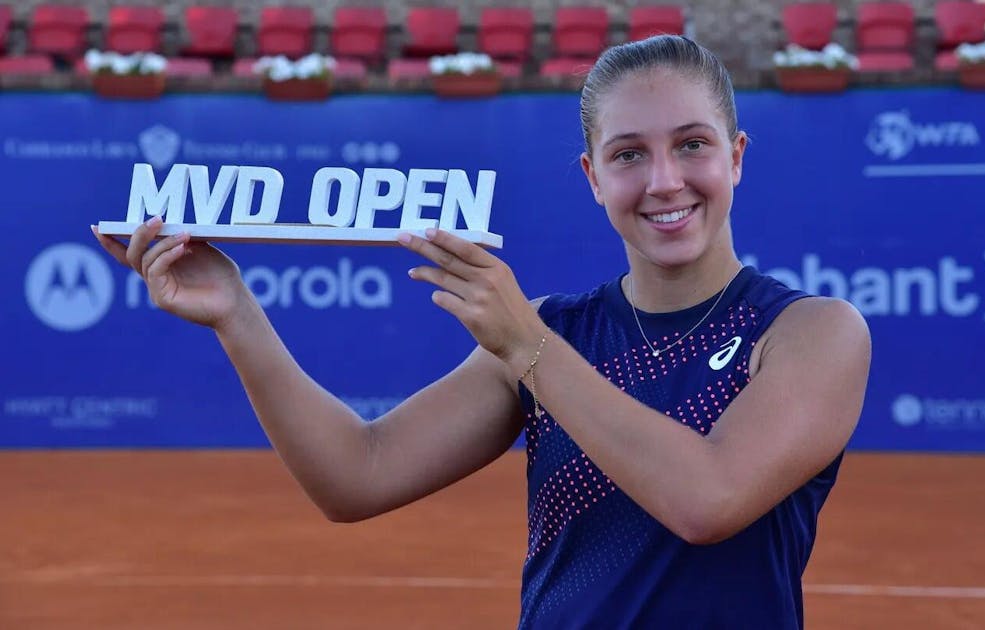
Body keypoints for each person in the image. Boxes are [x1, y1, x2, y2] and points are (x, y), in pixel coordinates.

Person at [93, 34, 870, 630]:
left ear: (736, 157)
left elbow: (710, 498)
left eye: (692, 144)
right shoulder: (550, 335)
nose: (664, 181)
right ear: (593, 178)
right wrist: (235, 313)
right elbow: (355, 476)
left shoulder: (810, 333)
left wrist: (525, 345)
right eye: (628, 154)